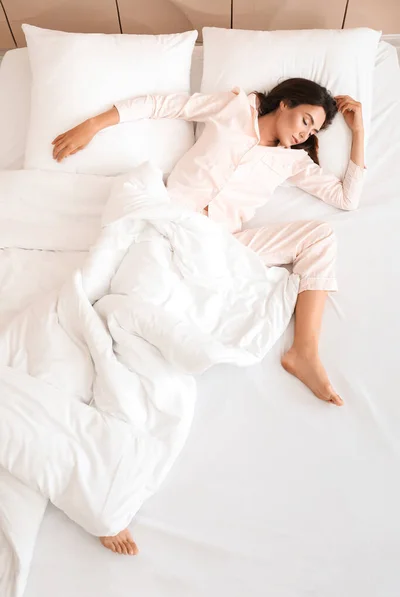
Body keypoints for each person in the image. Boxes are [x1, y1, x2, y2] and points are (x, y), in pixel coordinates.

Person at [52, 79, 364, 554]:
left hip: (221, 246)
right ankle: (102, 481)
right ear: (284, 103)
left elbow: (348, 199)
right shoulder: (232, 107)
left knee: (320, 236)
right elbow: (161, 102)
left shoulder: (292, 162)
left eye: (315, 130)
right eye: (306, 120)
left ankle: (305, 349)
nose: (306, 134)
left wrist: (359, 133)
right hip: (167, 226)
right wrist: (94, 124)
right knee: (142, 356)